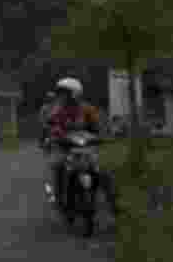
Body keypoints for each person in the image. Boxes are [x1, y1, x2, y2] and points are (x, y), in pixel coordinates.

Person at [43, 77, 119, 215]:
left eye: (65, 93)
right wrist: (52, 135)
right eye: (60, 93)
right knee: (58, 165)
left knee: (103, 172)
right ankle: (60, 200)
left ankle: (114, 205)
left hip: (86, 148)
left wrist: (103, 135)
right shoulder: (58, 110)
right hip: (65, 147)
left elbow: (99, 125)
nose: (61, 96)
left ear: (75, 93)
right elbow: (51, 124)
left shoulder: (87, 109)